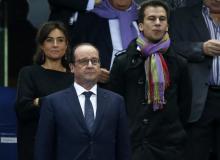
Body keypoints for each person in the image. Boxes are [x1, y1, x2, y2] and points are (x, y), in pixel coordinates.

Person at [109, 0, 191, 160]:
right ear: (140, 25)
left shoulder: (179, 62)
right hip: (134, 142)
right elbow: (115, 103)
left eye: (162, 19)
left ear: (167, 25)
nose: (157, 23)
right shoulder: (123, 62)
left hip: (169, 144)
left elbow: (184, 105)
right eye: (151, 19)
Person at [34, 43, 131, 160]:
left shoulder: (116, 101)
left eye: (94, 61)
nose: (90, 65)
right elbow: (43, 150)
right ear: (72, 67)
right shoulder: (53, 102)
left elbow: (124, 149)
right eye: (84, 61)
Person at [15, 21, 74, 160]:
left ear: (66, 45)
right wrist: (51, 102)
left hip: (68, 148)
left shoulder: (75, 78)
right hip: (36, 147)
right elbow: (23, 109)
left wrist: (38, 101)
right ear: (42, 45)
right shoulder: (29, 73)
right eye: (49, 40)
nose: (55, 45)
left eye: (60, 40)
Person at [169, 0, 220, 160]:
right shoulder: (181, 16)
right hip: (199, 98)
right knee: (196, 152)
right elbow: (170, 47)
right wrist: (200, 48)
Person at [71, 0, 139, 85]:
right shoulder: (88, 18)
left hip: (141, 85)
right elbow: (74, 52)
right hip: (102, 87)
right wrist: (91, 70)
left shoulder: (145, 17)